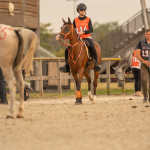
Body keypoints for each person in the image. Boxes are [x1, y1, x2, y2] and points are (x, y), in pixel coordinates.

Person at [57, 3, 101, 73]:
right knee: (66, 50)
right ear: (78, 11)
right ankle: (67, 66)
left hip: (87, 37)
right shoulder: (75, 20)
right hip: (78, 38)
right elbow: (72, 30)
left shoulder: (88, 19)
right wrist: (60, 36)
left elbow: (91, 29)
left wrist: (83, 32)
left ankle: (96, 64)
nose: (83, 11)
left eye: (84, 10)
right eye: (81, 10)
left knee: (93, 47)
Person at [136, 29, 150, 103]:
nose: (148, 36)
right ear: (145, 35)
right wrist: (144, 61)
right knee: (144, 80)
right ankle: (145, 96)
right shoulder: (140, 43)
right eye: (147, 34)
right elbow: (137, 54)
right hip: (144, 64)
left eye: (149, 34)